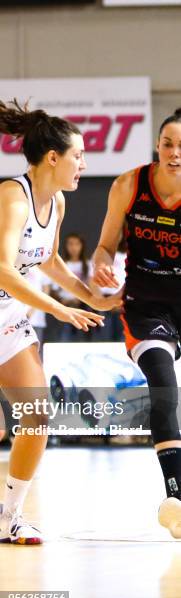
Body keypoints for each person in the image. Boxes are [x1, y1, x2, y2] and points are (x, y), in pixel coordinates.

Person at [0, 99, 121, 545]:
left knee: (36, 416)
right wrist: (56, 308)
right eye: (79, 154)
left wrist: (94, 298)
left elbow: (49, 262)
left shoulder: (59, 204)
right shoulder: (13, 195)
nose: (83, 163)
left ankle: (9, 516)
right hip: (10, 302)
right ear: (53, 157)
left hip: (7, 321)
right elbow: (4, 269)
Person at [92, 108, 181, 539]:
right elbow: (106, 247)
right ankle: (176, 496)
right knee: (163, 382)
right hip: (146, 306)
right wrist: (102, 265)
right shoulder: (128, 185)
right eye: (168, 144)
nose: (175, 153)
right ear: (157, 145)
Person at [49, 233, 92, 341]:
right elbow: (53, 289)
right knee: (64, 338)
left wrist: (80, 299)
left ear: (82, 246)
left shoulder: (88, 265)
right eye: (70, 244)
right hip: (65, 308)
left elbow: (92, 287)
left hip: (82, 307)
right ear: (66, 246)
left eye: (77, 244)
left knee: (82, 339)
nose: (73, 247)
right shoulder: (62, 265)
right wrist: (62, 300)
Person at [27, 266, 51, 358]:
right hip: (15, 318)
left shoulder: (41, 265)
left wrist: (33, 309)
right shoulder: (13, 262)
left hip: (36, 318)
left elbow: (46, 290)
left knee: (36, 353)